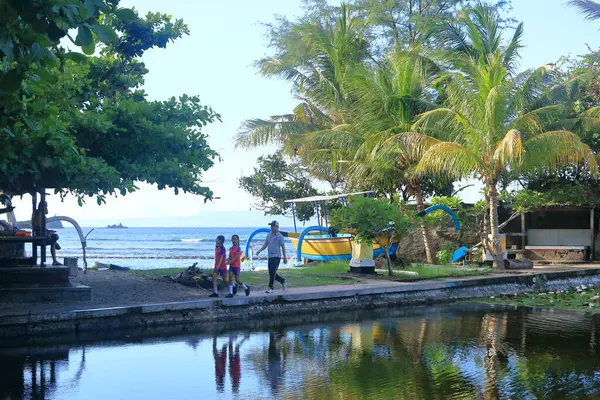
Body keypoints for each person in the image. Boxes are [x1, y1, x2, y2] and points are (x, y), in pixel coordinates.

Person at [256, 221, 287, 293]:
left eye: (273, 226)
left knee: (273, 272)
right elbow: (266, 244)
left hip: (276, 256)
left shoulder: (279, 236)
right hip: (270, 256)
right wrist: (259, 250)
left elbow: (283, 246)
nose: (272, 227)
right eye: (271, 226)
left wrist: (284, 257)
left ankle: (270, 288)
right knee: (271, 273)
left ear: (277, 227)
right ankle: (282, 280)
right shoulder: (269, 235)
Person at [31, 201, 62, 265]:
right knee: (54, 237)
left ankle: (55, 258)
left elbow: (41, 227)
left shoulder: (38, 213)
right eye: (45, 206)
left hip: (39, 234)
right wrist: (48, 232)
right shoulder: (39, 214)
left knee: (54, 237)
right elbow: (38, 227)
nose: (46, 208)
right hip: (39, 236)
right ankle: (54, 260)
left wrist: (48, 231)